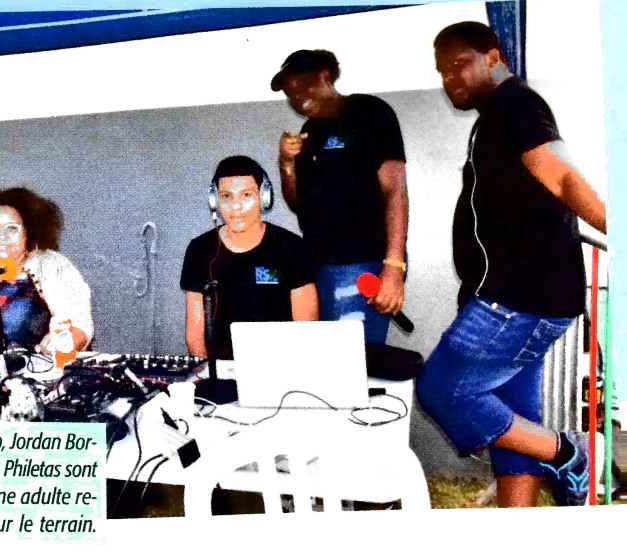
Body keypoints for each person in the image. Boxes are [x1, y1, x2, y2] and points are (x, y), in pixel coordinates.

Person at [416, 22, 608, 508]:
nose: (450, 79)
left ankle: (570, 453)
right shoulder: (498, 114)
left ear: (494, 56)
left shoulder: (516, 106)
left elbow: (562, 176)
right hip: (526, 297)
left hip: (515, 300)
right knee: (513, 416)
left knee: (441, 390)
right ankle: (518, 527)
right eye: (442, 71)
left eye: (459, 64)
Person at [271, 49, 409, 343]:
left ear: (325, 75)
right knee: (325, 358)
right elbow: (298, 204)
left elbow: (395, 190)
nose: (296, 96)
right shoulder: (308, 132)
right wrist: (286, 164)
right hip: (316, 266)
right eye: (290, 92)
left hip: (362, 264)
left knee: (353, 358)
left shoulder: (370, 112)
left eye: (302, 83)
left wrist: (394, 267)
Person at [180, 155, 318, 360]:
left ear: (264, 197)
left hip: (281, 363)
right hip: (220, 367)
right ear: (215, 200)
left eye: (246, 195)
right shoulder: (200, 249)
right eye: (226, 196)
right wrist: (207, 373)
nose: (236, 206)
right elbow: (195, 337)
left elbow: (307, 331)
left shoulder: (291, 247)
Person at [0, 188, 93, 359]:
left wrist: (63, 342)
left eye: (11, 229)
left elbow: (78, 322)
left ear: (28, 230)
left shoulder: (51, 265)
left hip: (33, 370)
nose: (1, 237)